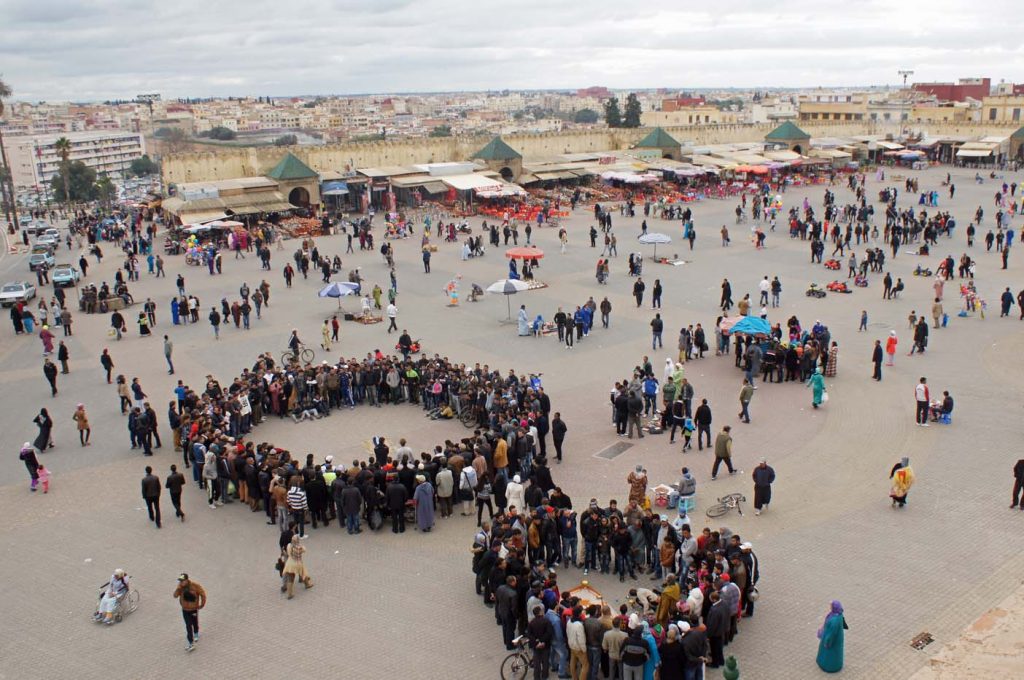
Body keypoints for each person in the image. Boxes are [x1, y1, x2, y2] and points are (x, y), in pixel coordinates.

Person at [173, 574, 206, 652]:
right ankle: (191, 643)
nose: (181, 583)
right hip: (185, 610)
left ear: (187, 580)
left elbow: (203, 594)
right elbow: (175, 596)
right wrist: (178, 588)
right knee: (188, 625)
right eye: (180, 581)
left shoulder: (195, 586)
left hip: (193, 609)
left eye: (182, 581)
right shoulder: (180, 588)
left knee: (194, 622)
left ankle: (196, 632)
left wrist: (202, 604)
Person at [815, 600, 847, 673]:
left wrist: (827, 642)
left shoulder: (834, 621)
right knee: (836, 653)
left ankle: (829, 667)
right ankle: (836, 664)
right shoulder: (839, 614)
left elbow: (831, 634)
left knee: (829, 654)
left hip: (831, 640)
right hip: (837, 639)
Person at [281, 534, 313, 599]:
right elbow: (304, 550)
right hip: (298, 563)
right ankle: (307, 584)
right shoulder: (300, 547)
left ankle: (290, 594)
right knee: (303, 573)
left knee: (291, 578)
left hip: (290, 563)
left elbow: (288, 553)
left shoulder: (289, 545)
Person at [527, 605, 554, 679]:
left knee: (537, 663)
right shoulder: (546, 621)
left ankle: (537, 677)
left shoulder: (531, 622)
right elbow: (549, 633)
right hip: (545, 645)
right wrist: (542, 641)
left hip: (536, 646)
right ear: (540, 612)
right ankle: (545, 676)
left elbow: (529, 634)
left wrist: (537, 642)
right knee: (545, 661)